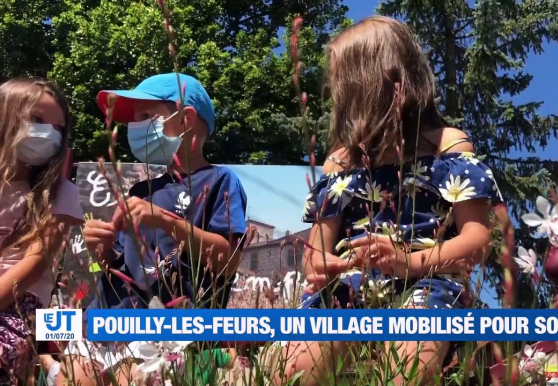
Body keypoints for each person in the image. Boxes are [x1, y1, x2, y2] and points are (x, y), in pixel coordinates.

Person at [277, 16, 504, 386]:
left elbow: (477, 243)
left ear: (376, 84)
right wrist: (329, 267)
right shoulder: (340, 162)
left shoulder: (445, 145)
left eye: (343, 85)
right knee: (295, 371)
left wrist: (406, 262)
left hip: (429, 281)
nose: (336, 97)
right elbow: (314, 256)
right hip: (350, 286)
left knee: (407, 366)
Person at [58, 73, 248, 386]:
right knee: (74, 378)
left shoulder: (221, 181)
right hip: (109, 317)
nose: (136, 127)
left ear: (185, 119)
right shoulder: (139, 191)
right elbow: (116, 264)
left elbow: (228, 261)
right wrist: (100, 247)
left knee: (135, 377)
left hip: (167, 326)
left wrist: (166, 221)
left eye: (147, 116)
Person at [0, 78, 84, 385]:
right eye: (37, 119)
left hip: (18, 303)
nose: (49, 133)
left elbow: (34, 265)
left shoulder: (60, 192)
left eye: (58, 128)